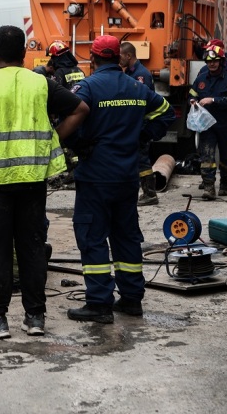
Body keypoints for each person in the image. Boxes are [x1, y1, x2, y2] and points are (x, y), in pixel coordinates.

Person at [0, 26, 89, 339]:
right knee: (32, 248)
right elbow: (80, 109)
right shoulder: (40, 82)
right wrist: (55, 140)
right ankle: (35, 318)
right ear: (24, 52)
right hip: (32, 179)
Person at [65, 35, 174, 324]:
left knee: (93, 237)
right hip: (127, 177)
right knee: (126, 237)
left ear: (95, 58)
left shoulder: (87, 87)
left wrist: (78, 144)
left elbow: (70, 117)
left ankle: (99, 304)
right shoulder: (136, 87)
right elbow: (166, 112)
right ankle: (131, 300)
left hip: (96, 177)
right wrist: (143, 136)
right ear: (118, 58)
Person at [190, 40, 227, 200]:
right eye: (209, 61)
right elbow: (192, 93)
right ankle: (209, 188)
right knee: (207, 157)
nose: (212, 64)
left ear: (221, 61)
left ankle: (225, 184)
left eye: (215, 61)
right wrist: (192, 100)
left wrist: (213, 100)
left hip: (225, 125)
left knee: (226, 158)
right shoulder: (201, 79)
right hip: (206, 126)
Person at [119, 42, 158, 206]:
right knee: (136, 158)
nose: (118, 59)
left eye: (120, 55)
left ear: (129, 56)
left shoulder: (141, 75)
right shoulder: (130, 72)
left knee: (142, 159)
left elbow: (141, 101)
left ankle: (150, 194)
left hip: (140, 124)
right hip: (133, 123)